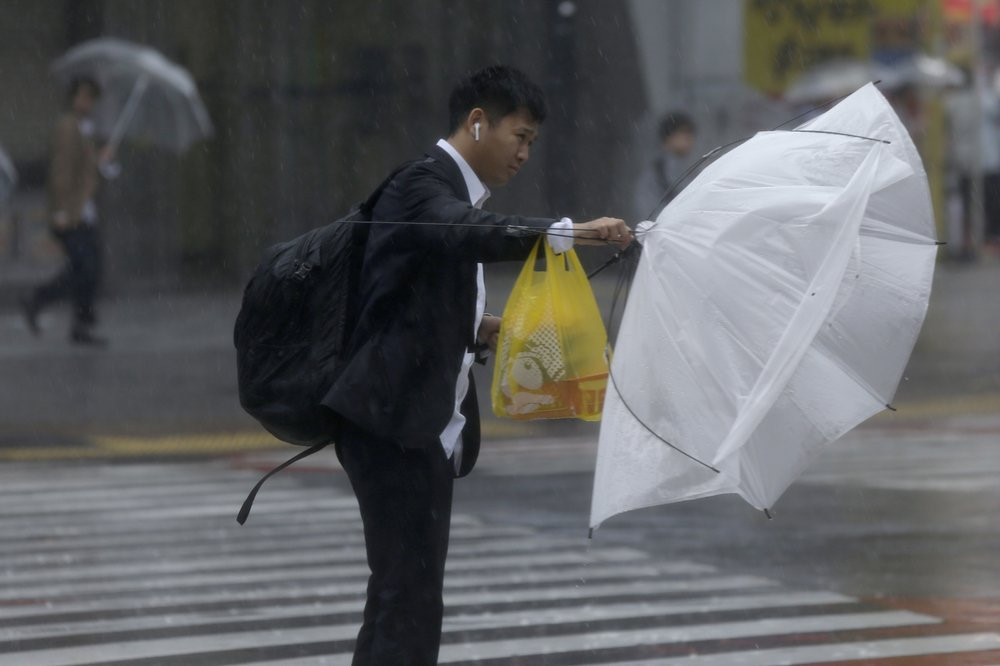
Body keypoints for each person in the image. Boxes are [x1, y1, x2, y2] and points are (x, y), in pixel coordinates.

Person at [323, 65, 630, 665]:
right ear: (477, 122)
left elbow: (415, 291)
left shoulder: (449, 191)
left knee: (406, 594)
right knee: (406, 595)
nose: (524, 153)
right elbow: (463, 233)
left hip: (412, 423)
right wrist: (572, 233)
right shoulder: (424, 184)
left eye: (533, 143)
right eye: (519, 136)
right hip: (391, 424)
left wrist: (480, 327)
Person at [21, 76, 111, 345]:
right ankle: (40, 301)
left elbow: (87, 172)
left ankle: (80, 323)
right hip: (70, 214)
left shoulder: (86, 129)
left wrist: (103, 161)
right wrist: (60, 212)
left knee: (90, 269)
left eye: (91, 98)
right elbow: (60, 171)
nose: (87, 102)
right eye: (83, 96)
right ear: (73, 97)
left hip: (84, 213)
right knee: (84, 268)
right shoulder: (67, 127)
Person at [633, 110, 697, 221]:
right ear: (668, 137)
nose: (689, 138)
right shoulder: (657, 172)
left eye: (690, 133)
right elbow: (648, 211)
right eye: (683, 132)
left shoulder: (692, 167)